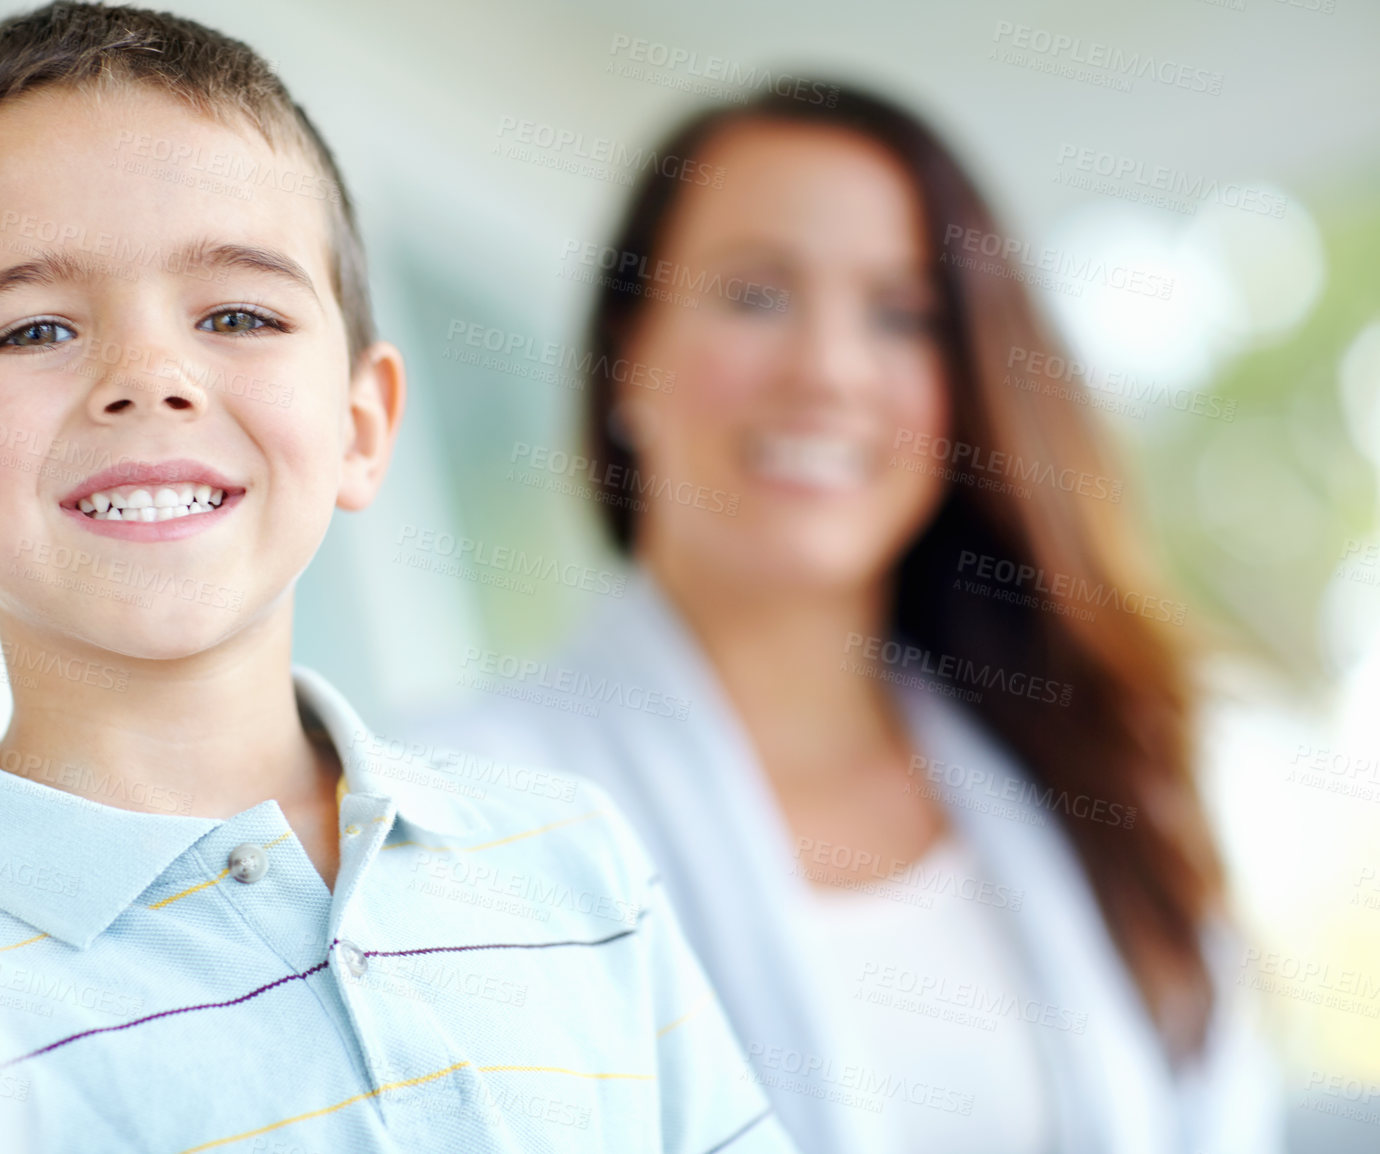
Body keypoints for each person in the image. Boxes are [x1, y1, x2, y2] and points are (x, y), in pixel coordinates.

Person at [0, 5, 796, 1152]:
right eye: (34, 329)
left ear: (361, 421)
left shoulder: (570, 855)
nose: (149, 377)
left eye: (238, 313)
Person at [410, 85, 1281, 1154]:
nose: (827, 368)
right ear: (626, 359)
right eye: (755, 295)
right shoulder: (446, 810)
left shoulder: (1088, 776)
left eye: (903, 315)